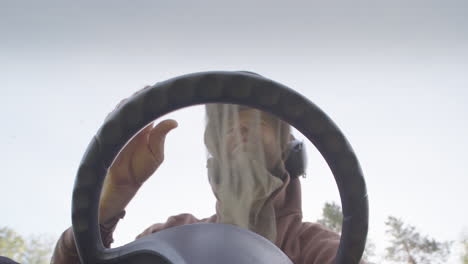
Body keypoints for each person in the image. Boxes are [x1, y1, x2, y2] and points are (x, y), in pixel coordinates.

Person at [51, 89, 346, 264]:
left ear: (290, 151)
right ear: (213, 155)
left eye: (260, 123)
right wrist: (111, 198)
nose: (239, 129)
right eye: (226, 127)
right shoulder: (169, 236)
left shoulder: (317, 247)